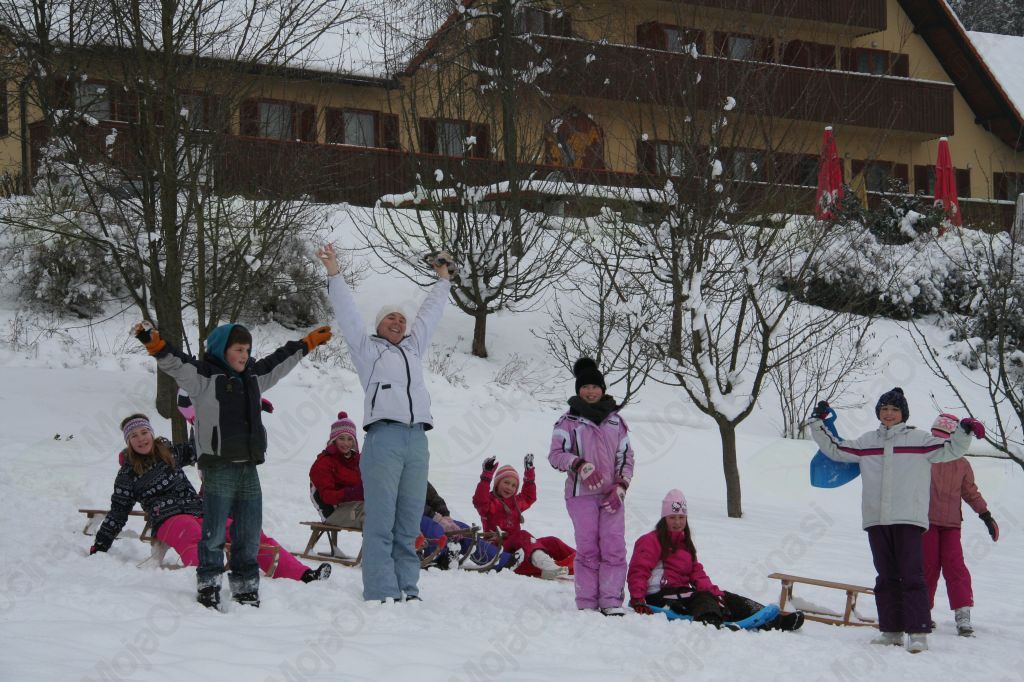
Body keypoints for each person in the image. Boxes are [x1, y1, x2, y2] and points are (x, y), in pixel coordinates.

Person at [133, 320, 332, 608]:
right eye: (238, 349)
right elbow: (176, 362)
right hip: (218, 467)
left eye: (247, 350)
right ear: (221, 350)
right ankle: (209, 584)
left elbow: (279, 363)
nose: (244, 355)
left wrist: (307, 343)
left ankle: (245, 586)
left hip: (248, 467)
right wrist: (155, 344)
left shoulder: (253, 378)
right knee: (214, 532)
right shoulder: (204, 378)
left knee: (249, 532)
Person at [316, 243, 449, 603]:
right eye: (390, 318)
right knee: (381, 519)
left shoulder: (413, 348)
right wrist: (334, 273)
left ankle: (407, 587)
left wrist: (443, 282)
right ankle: (380, 589)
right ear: (378, 325)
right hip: (384, 438)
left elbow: (430, 316)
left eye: (402, 319)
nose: (398, 322)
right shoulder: (368, 350)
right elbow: (347, 314)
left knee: (409, 519)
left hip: (417, 439)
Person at [809, 388, 984, 653]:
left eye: (894, 409)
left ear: (903, 413)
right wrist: (817, 422)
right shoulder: (867, 442)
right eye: (884, 409)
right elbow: (835, 449)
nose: (888, 414)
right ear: (878, 412)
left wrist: (964, 430)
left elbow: (951, 449)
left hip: (909, 518)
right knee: (886, 577)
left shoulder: (920, 440)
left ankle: (918, 632)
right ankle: (891, 631)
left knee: (912, 576)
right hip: (877, 519)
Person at [91, 414, 331, 588]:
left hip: (200, 510)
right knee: (193, 533)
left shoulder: (169, 453)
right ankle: (208, 582)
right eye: (134, 436)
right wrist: (100, 544)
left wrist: (220, 421)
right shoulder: (127, 474)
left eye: (144, 433)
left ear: (151, 433)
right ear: (128, 442)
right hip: (168, 519)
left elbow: (202, 447)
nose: (141, 439)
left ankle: (303, 575)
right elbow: (118, 512)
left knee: (247, 532)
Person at [628, 490, 804, 631]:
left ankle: (776, 620)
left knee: (725, 597)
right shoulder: (651, 541)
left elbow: (697, 573)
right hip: (658, 596)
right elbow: (639, 570)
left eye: (681, 517)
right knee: (702, 597)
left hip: (681, 593)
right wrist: (638, 599)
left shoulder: (685, 543)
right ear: (664, 518)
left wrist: (715, 593)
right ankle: (711, 621)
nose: (677, 522)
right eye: (672, 517)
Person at [548, 357, 634, 616]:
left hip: (611, 496)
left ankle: (611, 600)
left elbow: (626, 457)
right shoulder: (568, 421)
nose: (590, 391)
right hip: (581, 496)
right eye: (585, 387)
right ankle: (586, 601)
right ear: (578, 390)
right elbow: (555, 455)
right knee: (588, 549)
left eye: (595, 386)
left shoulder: (616, 422)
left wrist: (621, 486)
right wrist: (579, 465)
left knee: (613, 547)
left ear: (603, 389)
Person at [923, 413, 999, 637]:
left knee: (956, 567)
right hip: (925, 522)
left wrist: (986, 515)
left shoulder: (962, 464)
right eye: (935, 437)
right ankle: (922, 610)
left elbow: (970, 493)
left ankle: (963, 613)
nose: (939, 442)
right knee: (927, 567)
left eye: (943, 438)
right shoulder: (924, 458)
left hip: (951, 525)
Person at [473, 456, 575, 579]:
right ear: (497, 483)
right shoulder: (490, 504)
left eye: (513, 485)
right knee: (522, 535)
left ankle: (584, 561)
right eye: (506, 482)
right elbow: (480, 501)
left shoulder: (515, 502)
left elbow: (529, 496)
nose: (509, 487)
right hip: (497, 546)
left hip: (518, 546)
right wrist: (486, 476)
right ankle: (546, 565)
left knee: (552, 542)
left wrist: (529, 474)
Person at [419, 482, 516, 571]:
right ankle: (436, 560)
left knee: (463, 531)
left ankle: (503, 561)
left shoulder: (419, 476)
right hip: (413, 517)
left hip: (430, 515)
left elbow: (434, 499)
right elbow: (412, 503)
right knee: (435, 530)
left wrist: (445, 516)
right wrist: (436, 518)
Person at [310, 411, 366, 531]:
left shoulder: (357, 461)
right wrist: (352, 492)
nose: (346, 443)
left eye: (350, 439)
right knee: (375, 516)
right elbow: (327, 496)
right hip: (333, 512)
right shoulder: (324, 462)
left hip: (357, 506)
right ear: (334, 439)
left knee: (387, 510)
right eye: (341, 438)